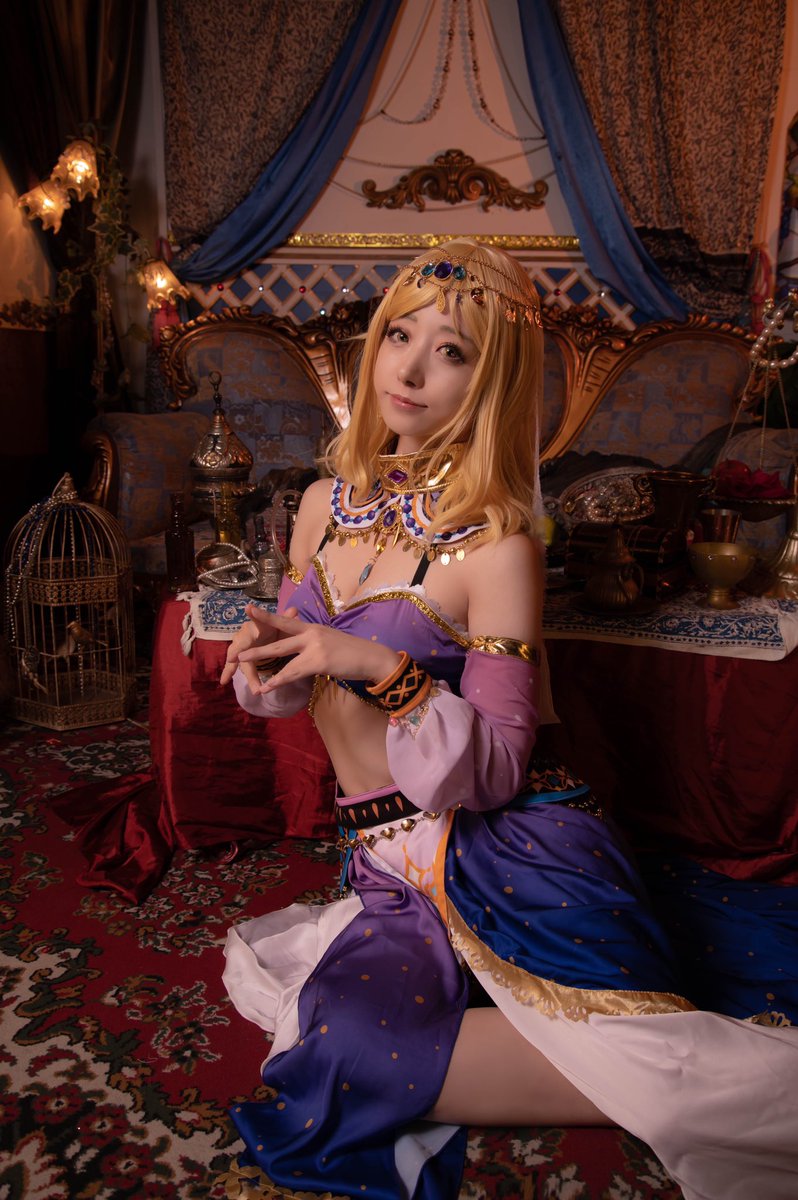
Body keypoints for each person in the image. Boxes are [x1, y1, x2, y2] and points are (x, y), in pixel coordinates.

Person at [219, 240, 798, 1200]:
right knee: (315, 1026)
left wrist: (377, 665)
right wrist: (268, 658)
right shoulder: (321, 505)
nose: (408, 370)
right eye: (399, 335)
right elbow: (294, 678)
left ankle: (655, 1069)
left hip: (507, 852)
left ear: (491, 382)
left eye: (450, 351)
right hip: (386, 868)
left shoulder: (500, 544)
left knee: (345, 1052)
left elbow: (493, 770)